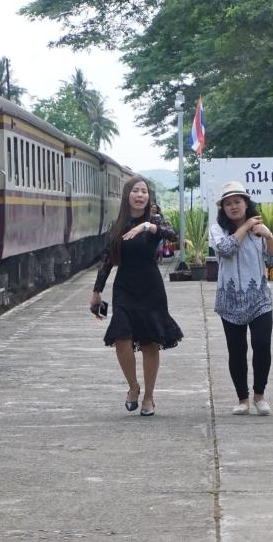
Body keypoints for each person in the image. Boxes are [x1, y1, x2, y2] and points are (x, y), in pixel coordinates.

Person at [89, 176, 184, 416]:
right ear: (127, 195)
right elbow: (107, 259)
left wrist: (146, 226)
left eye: (144, 191)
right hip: (124, 287)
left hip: (151, 286)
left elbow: (173, 235)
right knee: (121, 337)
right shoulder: (117, 225)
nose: (140, 195)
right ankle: (133, 387)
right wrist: (97, 291)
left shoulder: (155, 221)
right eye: (135, 191)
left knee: (150, 341)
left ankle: (149, 397)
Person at [210, 181, 273, 416]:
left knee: (262, 345)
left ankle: (259, 395)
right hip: (229, 300)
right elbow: (226, 249)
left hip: (259, 298)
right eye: (228, 204)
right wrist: (246, 226)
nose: (233, 207)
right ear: (223, 208)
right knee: (237, 350)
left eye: (237, 202)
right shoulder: (217, 229)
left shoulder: (259, 230)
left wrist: (269, 236)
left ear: (246, 203)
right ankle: (242, 399)